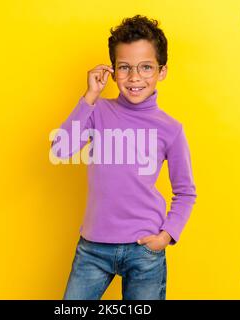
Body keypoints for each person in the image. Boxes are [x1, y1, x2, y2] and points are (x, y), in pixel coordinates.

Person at [50, 15, 197, 300]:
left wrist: (166, 237)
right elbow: (60, 150)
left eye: (145, 67)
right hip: (93, 248)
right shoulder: (97, 111)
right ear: (113, 71)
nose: (134, 78)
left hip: (144, 250)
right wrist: (90, 95)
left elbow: (186, 191)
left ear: (162, 72)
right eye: (125, 68)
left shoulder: (171, 129)